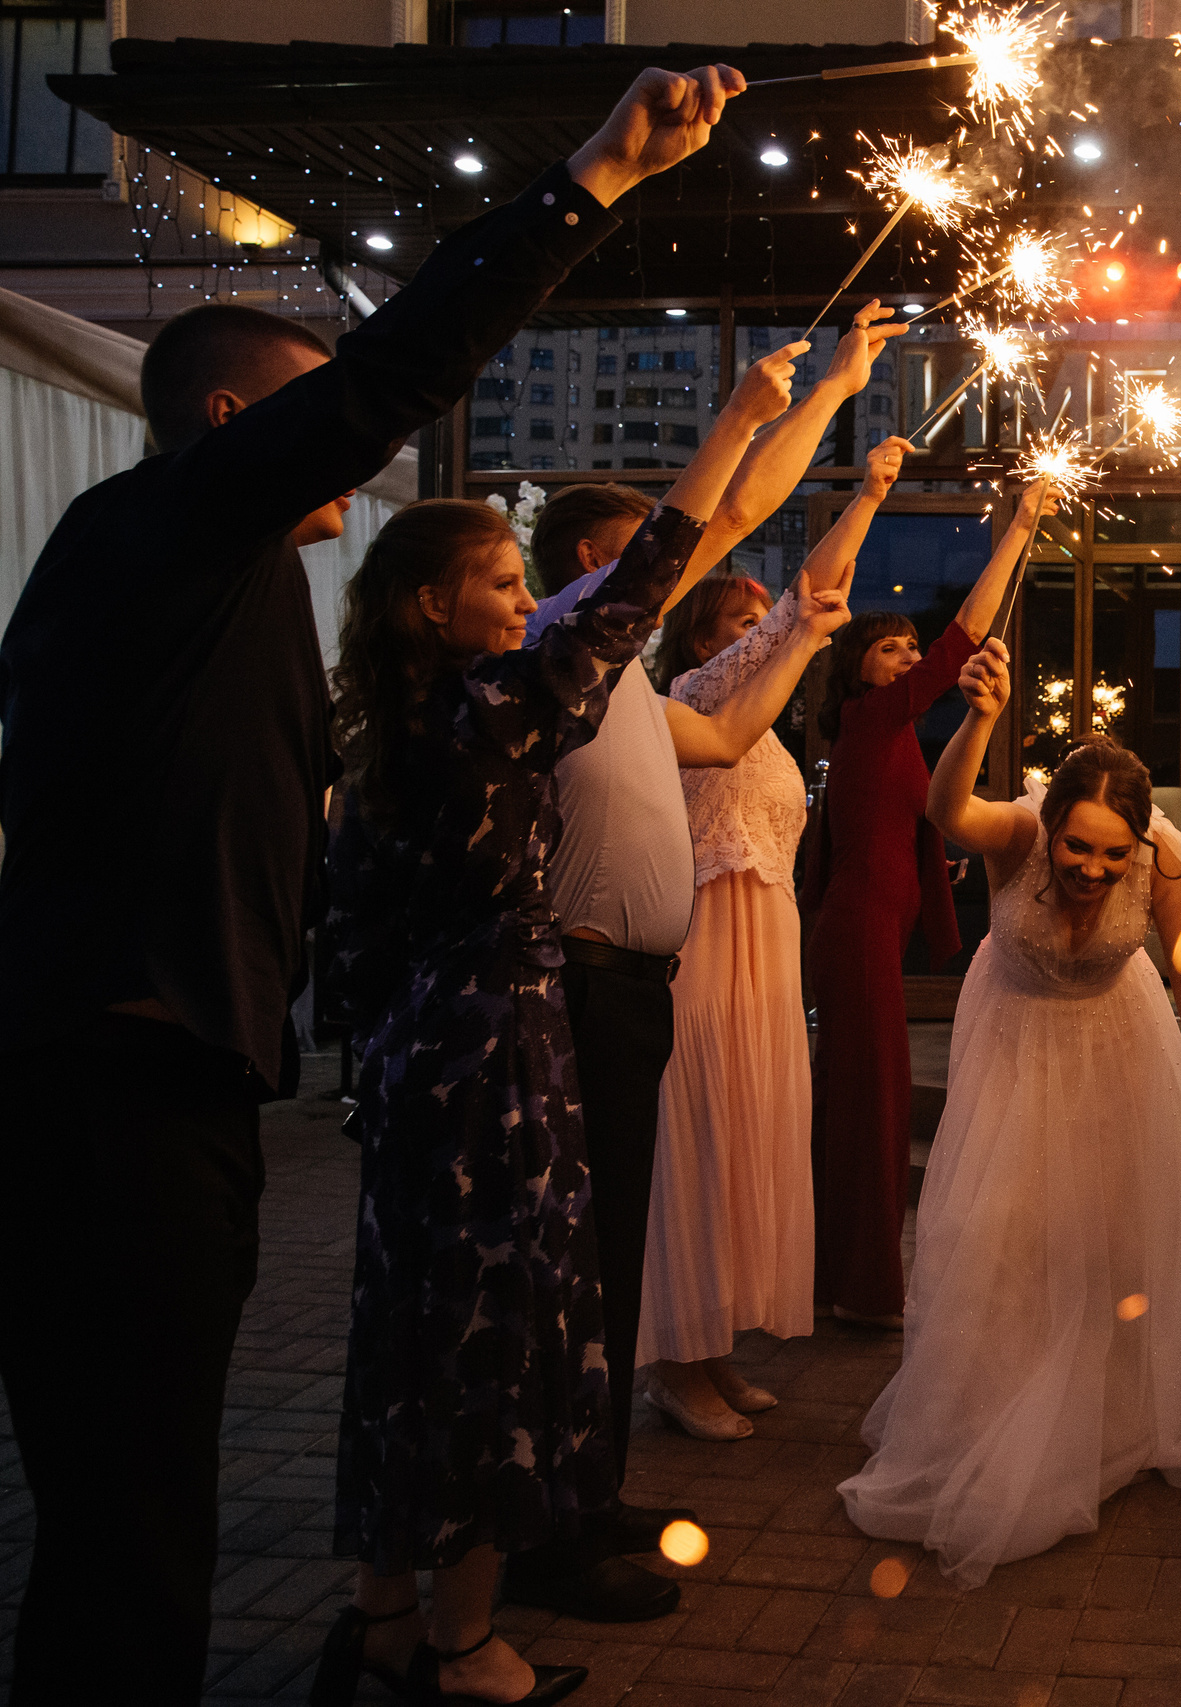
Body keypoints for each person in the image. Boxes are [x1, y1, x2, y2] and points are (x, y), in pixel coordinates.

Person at [0, 62, 736, 1704]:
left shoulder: (173, 574)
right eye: (318, 410)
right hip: (119, 1098)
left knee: (135, 1513)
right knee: (135, 1522)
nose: (363, 442)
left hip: (148, 1080)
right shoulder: (172, 534)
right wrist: (592, 183)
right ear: (232, 428)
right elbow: (395, 376)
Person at [315, 325, 797, 1706]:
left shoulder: (380, 743)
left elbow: (343, 950)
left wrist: (379, 1067)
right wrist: (740, 419)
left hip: (410, 1062)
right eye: (506, 581)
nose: (531, 604)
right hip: (501, 1056)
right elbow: (642, 583)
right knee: (503, 1332)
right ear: (430, 605)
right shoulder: (495, 718)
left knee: (404, 1335)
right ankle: (470, 1645)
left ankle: (387, 1619)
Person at [501, 311, 909, 1622]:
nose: (680, 567)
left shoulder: (625, 685)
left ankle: (592, 1478)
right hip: (569, 983)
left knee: (611, 1249)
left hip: (628, 988)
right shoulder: (561, 648)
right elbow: (718, 522)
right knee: (579, 1255)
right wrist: (758, 413)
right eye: (647, 557)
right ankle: (553, 1514)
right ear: (585, 570)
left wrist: (833, 410)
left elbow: (731, 722)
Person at [839, 647, 1181, 1586]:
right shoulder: (1013, 833)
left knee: (1111, 1231)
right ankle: (990, 1404)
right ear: (1050, 827)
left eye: (1111, 852)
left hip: (1113, 1050)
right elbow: (944, 811)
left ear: (1140, 843)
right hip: (1014, 1044)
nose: (1092, 868)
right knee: (996, 1228)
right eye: (1076, 846)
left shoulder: (1163, 866)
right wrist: (978, 719)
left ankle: (1117, 1409)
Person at [805, 480, 1054, 1328]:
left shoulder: (891, 736)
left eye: (912, 647)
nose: (912, 658)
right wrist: (1018, 526)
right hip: (860, 933)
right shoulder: (873, 718)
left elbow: (879, 828)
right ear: (860, 670)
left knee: (859, 1102)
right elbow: (969, 635)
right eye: (891, 649)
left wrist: (928, 865)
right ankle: (866, 1290)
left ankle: (839, 1277)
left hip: (869, 925)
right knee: (869, 1108)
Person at [633, 548, 866, 1440]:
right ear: (705, 637)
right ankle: (673, 1365)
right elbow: (780, 634)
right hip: (705, 950)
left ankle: (712, 1342)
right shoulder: (695, 695)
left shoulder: (762, 731)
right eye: (745, 621)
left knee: (743, 1140)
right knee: (695, 1140)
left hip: (764, 953)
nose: (760, 634)